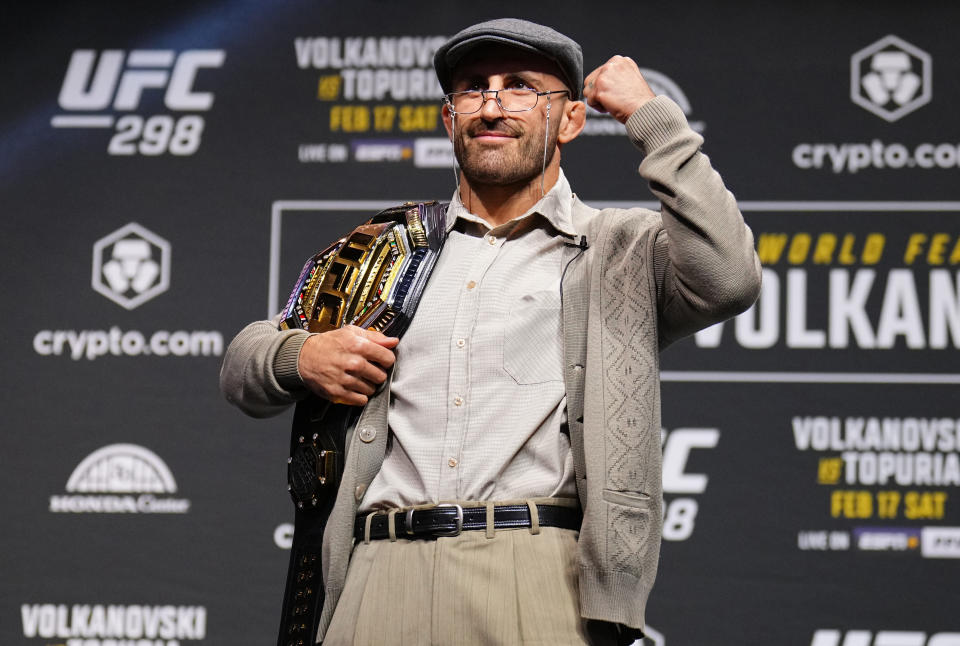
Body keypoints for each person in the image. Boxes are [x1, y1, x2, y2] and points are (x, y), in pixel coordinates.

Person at [221, 17, 761, 646]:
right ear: (450, 120)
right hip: (378, 574)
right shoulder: (389, 250)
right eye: (474, 88)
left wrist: (652, 119)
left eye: (522, 86)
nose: (494, 105)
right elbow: (242, 365)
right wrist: (301, 355)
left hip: (532, 574)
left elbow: (729, 277)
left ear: (570, 120)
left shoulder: (620, 249)